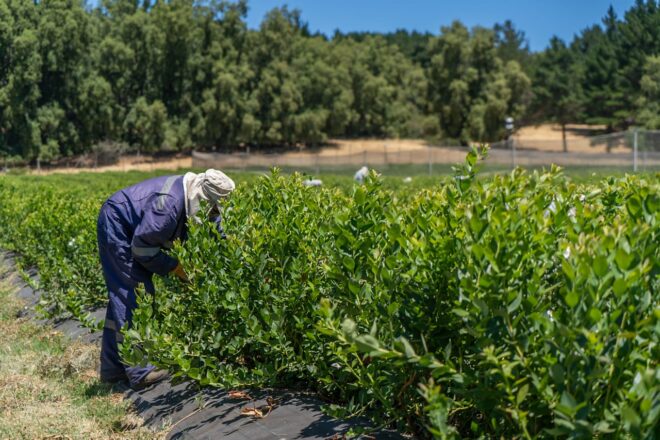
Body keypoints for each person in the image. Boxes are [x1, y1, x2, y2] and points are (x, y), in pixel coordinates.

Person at [97, 169, 235, 389]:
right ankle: (140, 372)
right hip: (118, 223)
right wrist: (176, 268)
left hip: (131, 227)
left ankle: (112, 370)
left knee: (123, 299)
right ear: (202, 198)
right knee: (134, 293)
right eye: (213, 208)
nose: (214, 213)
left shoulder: (202, 202)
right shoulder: (168, 207)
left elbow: (216, 234)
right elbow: (142, 248)